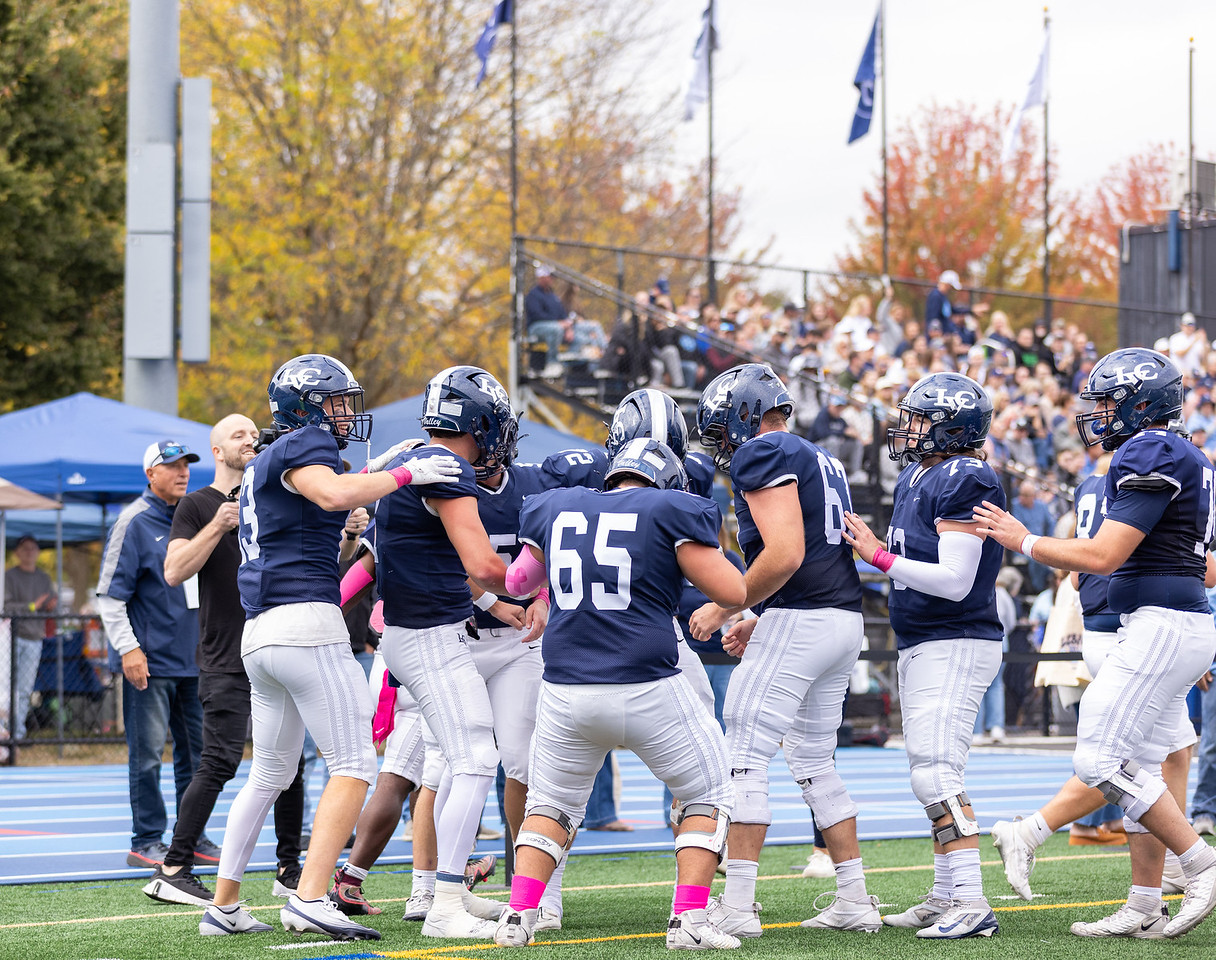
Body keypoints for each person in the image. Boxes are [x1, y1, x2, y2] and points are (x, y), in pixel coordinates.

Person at [201, 354, 462, 940]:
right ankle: (311, 895)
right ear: (307, 407)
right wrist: (405, 475)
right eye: (338, 401)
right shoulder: (303, 446)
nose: (346, 413)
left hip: (261, 632)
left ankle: (224, 904)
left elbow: (313, 527)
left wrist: (388, 467)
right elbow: (331, 493)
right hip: (304, 627)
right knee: (354, 764)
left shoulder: (266, 461)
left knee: (267, 773)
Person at [975, 347, 1216, 939]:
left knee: (1097, 759)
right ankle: (1142, 901)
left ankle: (1202, 865)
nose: (1100, 413)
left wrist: (1022, 539)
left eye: (1109, 401)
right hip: (1170, 621)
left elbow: (1103, 557)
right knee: (1140, 765)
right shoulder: (1187, 454)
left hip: (1160, 624)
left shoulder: (1149, 449)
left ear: (1142, 403)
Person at [493, 438, 747, 949]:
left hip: (566, 688)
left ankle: (520, 915)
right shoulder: (673, 508)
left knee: (550, 803)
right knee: (709, 792)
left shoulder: (556, 505)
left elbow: (518, 581)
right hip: (648, 682)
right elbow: (733, 591)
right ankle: (689, 922)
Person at [690, 362, 878, 936]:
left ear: (743, 418)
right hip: (840, 618)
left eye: (723, 428)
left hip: (805, 618)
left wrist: (727, 604)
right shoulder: (819, 456)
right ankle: (854, 899)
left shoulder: (761, 453)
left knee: (743, 754)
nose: (723, 444)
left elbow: (787, 552)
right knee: (816, 762)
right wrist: (759, 615)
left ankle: (740, 906)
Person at [842, 372, 1005, 939]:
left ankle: (972, 900)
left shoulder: (966, 476)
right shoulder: (921, 475)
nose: (907, 430)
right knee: (927, 768)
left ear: (950, 427)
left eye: (919, 420)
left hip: (956, 635)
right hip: (927, 639)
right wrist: (881, 553)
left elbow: (956, 581)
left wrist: (878, 558)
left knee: (937, 771)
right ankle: (944, 895)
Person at [374, 365, 534, 939]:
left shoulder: (412, 453)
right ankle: (444, 903)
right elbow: (487, 569)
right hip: (427, 633)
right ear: (481, 424)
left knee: (462, 759)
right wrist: (549, 581)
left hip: (419, 630)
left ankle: (447, 893)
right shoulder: (447, 467)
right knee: (472, 760)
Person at [141, 415, 306, 907]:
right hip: (225, 656)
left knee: (291, 765)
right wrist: (217, 523)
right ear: (217, 450)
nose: (251, 439)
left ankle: (289, 869)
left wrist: (347, 536)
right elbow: (173, 571)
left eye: (255, 433)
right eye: (238, 435)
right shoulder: (197, 505)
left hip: (276, 648)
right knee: (219, 761)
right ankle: (174, 866)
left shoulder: (272, 498)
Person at [97, 440, 213, 870]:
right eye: (172, 466)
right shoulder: (133, 521)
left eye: (186, 465)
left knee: (197, 756)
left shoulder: (193, 518)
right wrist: (129, 648)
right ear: (151, 474)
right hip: (149, 660)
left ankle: (192, 835)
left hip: (194, 659)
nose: (182, 472)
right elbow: (109, 596)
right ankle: (145, 839)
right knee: (147, 756)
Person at [2, 534, 56, 749]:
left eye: (33, 548)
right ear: (17, 552)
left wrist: (49, 606)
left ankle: (17, 733)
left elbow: (50, 603)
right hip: (11, 638)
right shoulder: (8, 577)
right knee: (6, 688)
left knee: (25, 690)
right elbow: (6, 606)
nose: (30, 552)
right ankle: (5, 730)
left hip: (35, 638)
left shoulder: (43, 578)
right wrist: (33, 606)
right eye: (25, 548)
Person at [525, 265, 572, 378]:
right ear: (541, 277)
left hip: (556, 326)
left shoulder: (552, 296)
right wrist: (559, 323)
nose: (552, 280)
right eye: (549, 277)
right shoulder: (533, 295)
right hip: (536, 327)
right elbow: (537, 315)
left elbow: (562, 313)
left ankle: (571, 365)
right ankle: (552, 363)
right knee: (555, 329)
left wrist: (569, 327)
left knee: (581, 332)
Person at [924, 270, 988, 345]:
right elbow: (933, 317)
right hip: (938, 337)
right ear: (947, 284)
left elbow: (953, 310)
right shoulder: (935, 296)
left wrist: (971, 309)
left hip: (945, 335)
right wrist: (936, 333)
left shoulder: (943, 297)